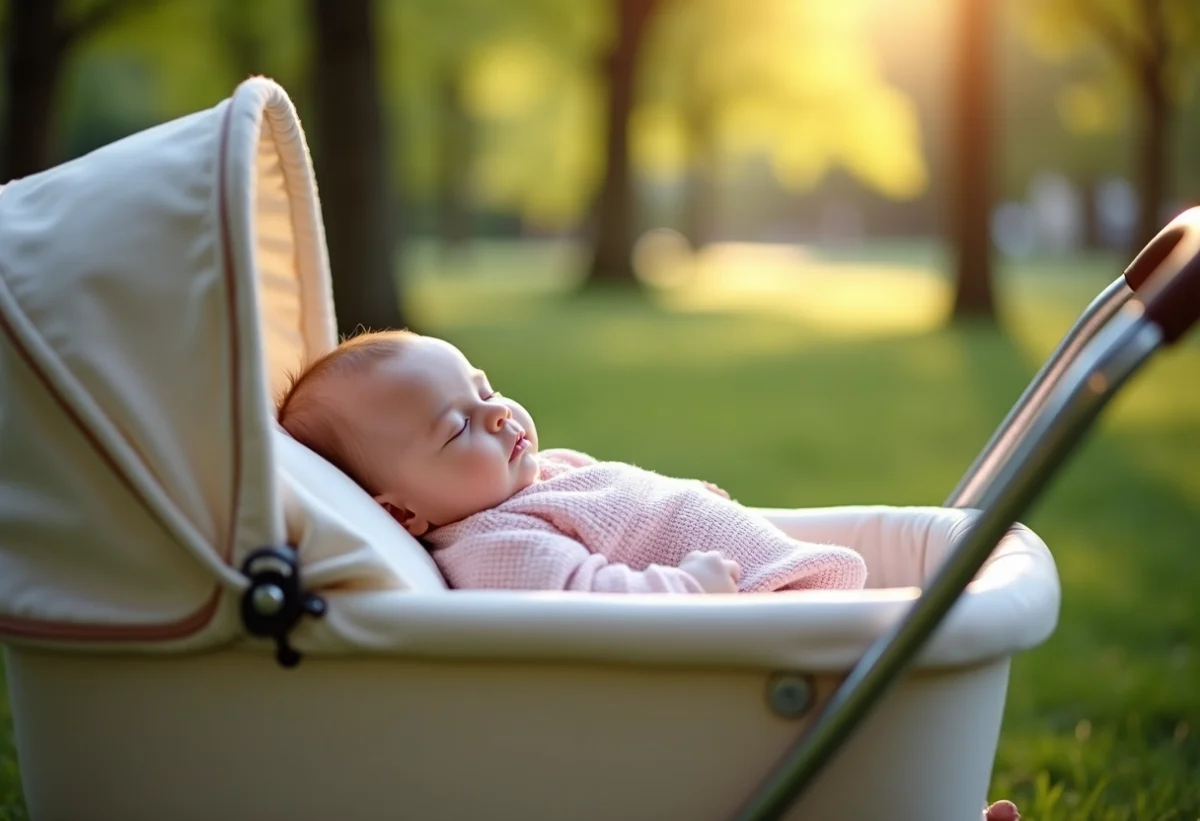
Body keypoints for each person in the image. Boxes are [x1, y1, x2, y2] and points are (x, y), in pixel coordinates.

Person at [277, 329, 867, 594]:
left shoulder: (535, 474)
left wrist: (687, 497)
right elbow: (592, 602)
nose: (499, 415)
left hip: (778, 577)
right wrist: (688, 588)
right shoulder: (494, 545)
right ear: (404, 516)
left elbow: (622, 502)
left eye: (485, 390)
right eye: (458, 427)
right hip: (757, 614)